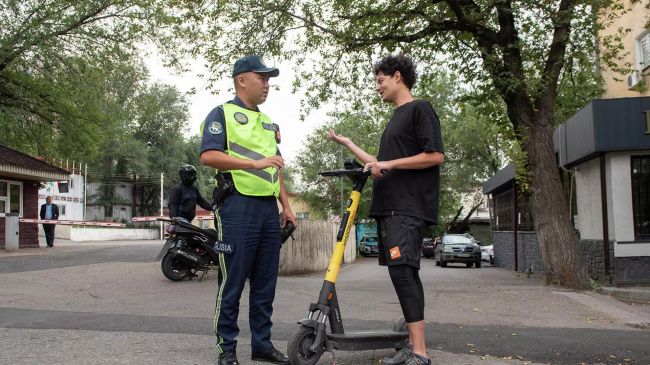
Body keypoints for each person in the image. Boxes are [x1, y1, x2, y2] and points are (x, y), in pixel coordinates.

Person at [327, 54, 444, 365]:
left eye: (380, 80)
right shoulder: (395, 118)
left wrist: (389, 163)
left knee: (404, 274)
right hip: (391, 208)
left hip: (407, 207)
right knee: (402, 274)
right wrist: (349, 144)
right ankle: (414, 345)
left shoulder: (420, 109)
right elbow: (379, 163)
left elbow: (434, 156)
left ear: (397, 76)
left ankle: (419, 353)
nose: (377, 87)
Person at [199, 55, 296, 365]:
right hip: (237, 206)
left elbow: (276, 167)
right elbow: (209, 156)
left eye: (269, 79)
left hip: (268, 209)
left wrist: (287, 205)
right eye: (262, 78)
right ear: (242, 80)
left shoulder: (268, 123)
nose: (267, 84)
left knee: (266, 283)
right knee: (232, 281)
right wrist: (252, 163)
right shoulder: (222, 114)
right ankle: (226, 349)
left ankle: (261, 345)